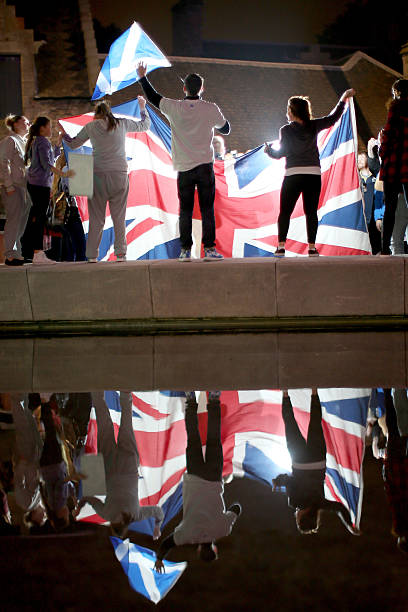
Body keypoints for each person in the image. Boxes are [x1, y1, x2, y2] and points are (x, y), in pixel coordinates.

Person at [137, 62, 230, 261]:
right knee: (207, 209)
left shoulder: (174, 107)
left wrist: (142, 77)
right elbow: (226, 129)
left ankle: (185, 250)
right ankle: (210, 249)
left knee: (185, 210)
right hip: (205, 166)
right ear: (202, 89)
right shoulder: (210, 108)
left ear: (184, 88)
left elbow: (153, 97)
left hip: (184, 168)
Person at [154, 391, 241, 572]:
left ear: (214, 548)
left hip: (213, 476)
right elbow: (166, 543)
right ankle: (191, 400)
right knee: (193, 438)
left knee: (214, 438)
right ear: (199, 550)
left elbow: (237, 507)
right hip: (194, 476)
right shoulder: (186, 536)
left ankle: (214, 399)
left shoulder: (222, 530)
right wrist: (159, 559)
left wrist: (227, 514)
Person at [264, 89, 355, 257]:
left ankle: (281, 246)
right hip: (313, 174)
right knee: (311, 211)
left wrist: (268, 151)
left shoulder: (285, 130)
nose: (286, 113)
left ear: (292, 111)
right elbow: (333, 118)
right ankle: (312, 248)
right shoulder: (314, 125)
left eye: (288, 110)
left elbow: (280, 153)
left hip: (293, 174)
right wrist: (344, 97)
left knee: (285, 211)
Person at [62, 98, 150, 262]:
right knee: (119, 216)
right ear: (109, 112)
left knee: (96, 218)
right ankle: (121, 253)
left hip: (98, 175)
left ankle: (92, 255)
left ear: (96, 113)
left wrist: (64, 135)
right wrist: (142, 108)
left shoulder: (91, 126)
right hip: (119, 174)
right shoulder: (121, 124)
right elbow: (144, 126)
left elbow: (74, 145)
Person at [74, 392, 164, 539]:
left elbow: (158, 511)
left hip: (126, 466)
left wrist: (157, 527)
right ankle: (98, 391)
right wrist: (79, 507)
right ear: (117, 525)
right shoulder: (109, 514)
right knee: (107, 424)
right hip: (114, 467)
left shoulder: (134, 515)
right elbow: (89, 499)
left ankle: (123, 390)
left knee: (124, 421)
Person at [272, 390, 360, 535]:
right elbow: (290, 480)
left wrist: (350, 525)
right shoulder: (294, 502)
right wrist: (278, 481)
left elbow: (340, 508)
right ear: (301, 518)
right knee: (290, 424)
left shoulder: (319, 503)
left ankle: (314, 391)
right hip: (299, 461)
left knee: (315, 422)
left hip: (317, 460)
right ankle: (285, 393)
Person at [23, 116, 73, 265]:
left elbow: (50, 159)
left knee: (36, 217)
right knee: (39, 218)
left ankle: (31, 250)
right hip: (40, 184)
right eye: (49, 126)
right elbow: (47, 165)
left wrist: (58, 143)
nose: (51, 130)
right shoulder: (42, 141)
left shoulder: (37, 141)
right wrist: (63, 174)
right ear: (42, 128)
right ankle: (38, 252)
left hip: (35, 184)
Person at [379, 79, 408, 255]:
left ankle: (384, 250)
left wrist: (382, 146)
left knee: (389, 207)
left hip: (395, 163)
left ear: (396, 92)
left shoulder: (395, 107)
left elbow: (389, 135)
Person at [0, 114, 31, 266]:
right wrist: (8, 185)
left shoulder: (25, 142)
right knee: (13, 220)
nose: (29, 124)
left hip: (24, 188)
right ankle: (10, 254)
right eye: (25, 122)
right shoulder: (10, 140)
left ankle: (17, 253)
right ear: (16, 124)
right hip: (13, 187)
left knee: (21, 222)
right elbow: (3, 162)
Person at [358, 151, 381, 254]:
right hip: (361, 219)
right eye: (357, 159)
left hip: (374, 220)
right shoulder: (356, 179)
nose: (359, 160)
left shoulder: (375, 178)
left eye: (362, 157)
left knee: (376, 248)